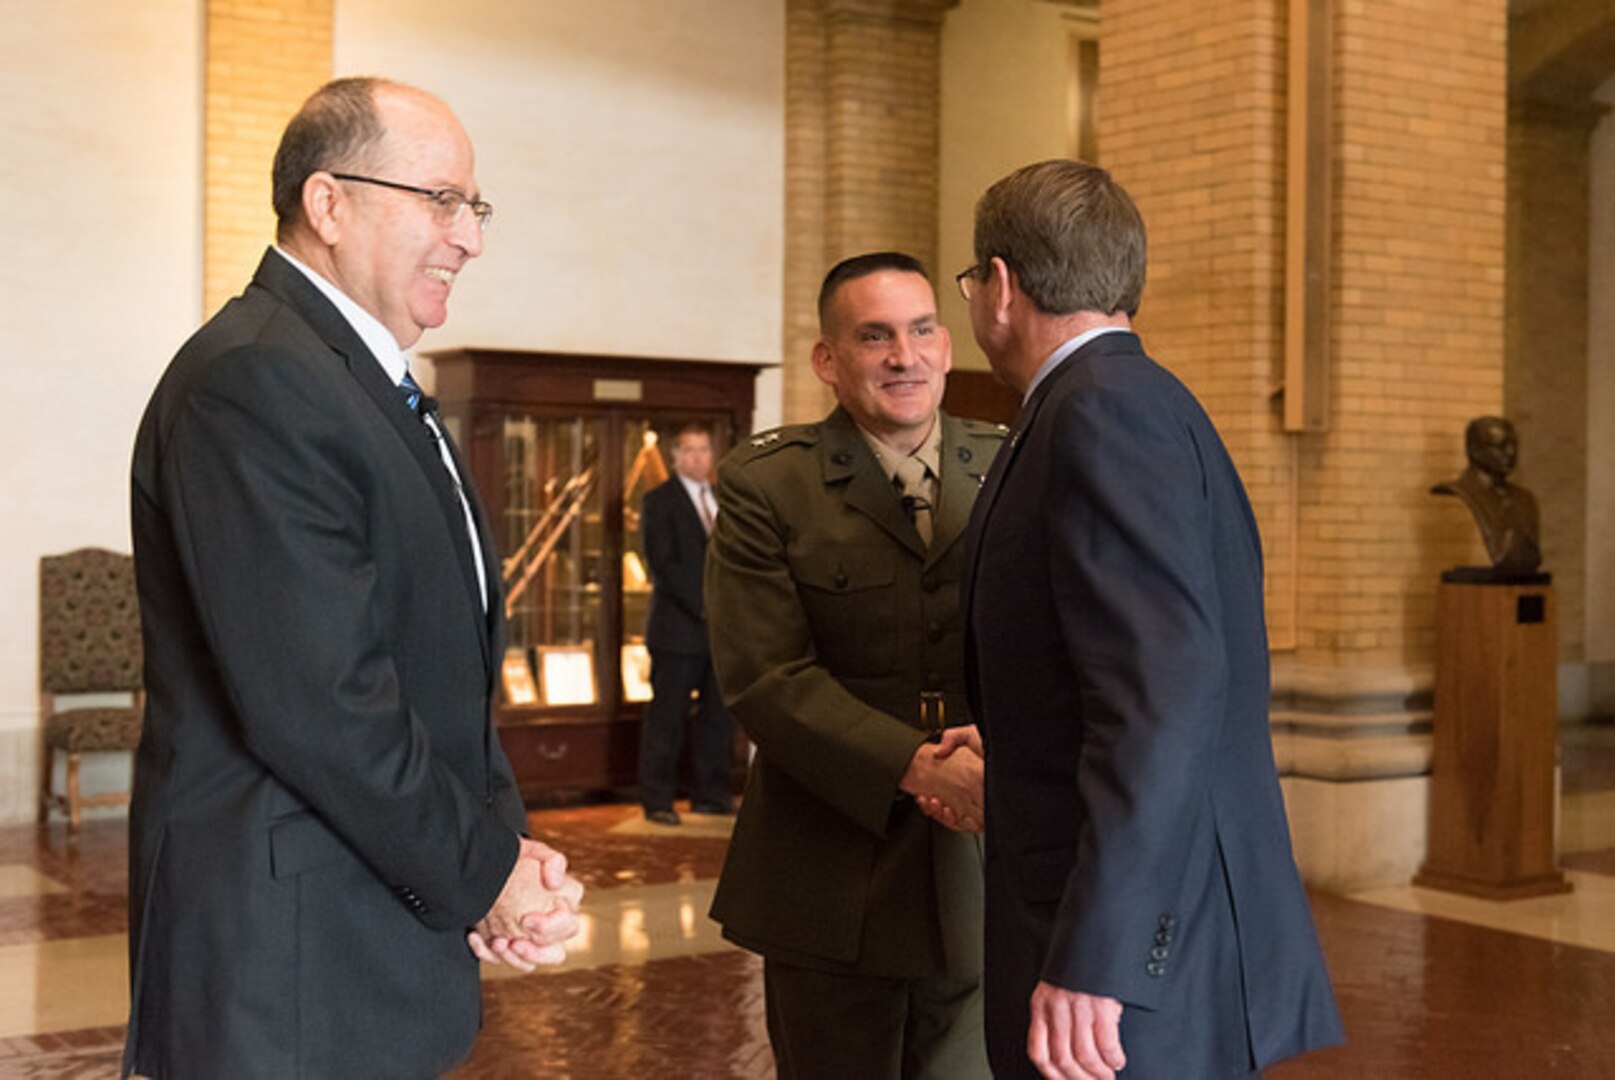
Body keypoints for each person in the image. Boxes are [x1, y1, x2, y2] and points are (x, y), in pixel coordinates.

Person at [125, 77, 583, 1079]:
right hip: (287, 955)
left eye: (475, 207)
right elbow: (323, 703)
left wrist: (499, 848)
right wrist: (484, 872)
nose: (469, 238)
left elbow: (437, 667)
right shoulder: (254, 378)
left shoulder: (357, 380)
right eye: (441, 200)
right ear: (328, 203)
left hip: (371, 922)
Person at [953, 160, 1343, 1079]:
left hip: (1127, 959)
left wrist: (1100, 952)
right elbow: (1118, 661)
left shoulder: (1099, 413)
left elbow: (1162, 696)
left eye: (972, 282)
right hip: (1134, 914)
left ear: (1000, 286)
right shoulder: (1127, 401)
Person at [704, 251, 1003, 1078]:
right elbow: (764, 676)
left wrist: (995, 765)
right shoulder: (771, 483)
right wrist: (915, 767)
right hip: (830, 878)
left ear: (945, 345)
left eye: (918, 331)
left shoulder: (1010, 467)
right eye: (874, 337)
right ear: (828, 362)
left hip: (984, 868)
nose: (902, 357)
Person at [638, 423, 734, 824]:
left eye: (704, 450)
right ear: (675, 455)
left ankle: (710, 794)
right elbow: (663, 564)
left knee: (717, 717)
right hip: (677, 630)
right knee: (667, 717)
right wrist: (706, 605)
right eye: (689, 450)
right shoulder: (660, 500)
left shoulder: (723, 500)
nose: (698, 457)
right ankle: (658, 800)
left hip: (721, 634)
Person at [1430, 415, 1542, 573]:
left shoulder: (1525, 499)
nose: (1511, 452)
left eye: (1513, 445)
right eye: (1500, 446)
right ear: (1475, 451)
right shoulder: (1459, 494)